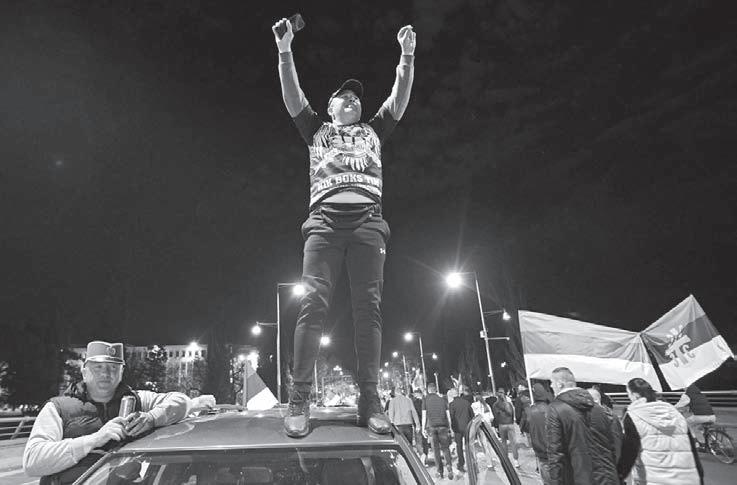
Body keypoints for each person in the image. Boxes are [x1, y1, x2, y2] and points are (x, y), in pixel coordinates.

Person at [272, 16, 416, 439]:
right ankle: (299, 398)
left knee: (367, 309)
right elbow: (292, 96)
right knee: (312, 305)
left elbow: (399, 99)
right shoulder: (316, 131)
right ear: (330, 107)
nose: (351, 99)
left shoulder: (374, 131)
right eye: (343, 97)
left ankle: (370, 400)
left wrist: (406, 57)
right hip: (324, 224)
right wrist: (285, 50)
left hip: (368, 224)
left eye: (356, 97)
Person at [23, 341, 191, 485]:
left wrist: (152, 418)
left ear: (121, 373)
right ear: (84, 372)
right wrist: (94, 440)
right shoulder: (58, 408)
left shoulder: (138, 400)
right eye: (98, 367)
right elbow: (32, 461)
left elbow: (182, 401)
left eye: (113, 367)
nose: (106, 373)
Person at [618, 378, 703, 485]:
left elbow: (629, 452)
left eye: (628, 394)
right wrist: (700, 476)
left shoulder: (634, 415)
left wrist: (619, 476)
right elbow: (691, 447)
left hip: (655, 479)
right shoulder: (673, 412)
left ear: (635, 395)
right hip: (687, 479)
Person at [546, 367, 619, 485]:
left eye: (552, 382)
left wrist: (555, 481)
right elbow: (612, 444)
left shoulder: (555, 409)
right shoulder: (598, 408)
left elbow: (555, 453)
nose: (551, 386)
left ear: (560, 384)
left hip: (579, 478)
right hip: (608, 476)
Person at [422, 382, 454, 480]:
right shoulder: (442, 399)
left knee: (435, 450)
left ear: (428, 390)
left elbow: (424, 416)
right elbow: (448, 414)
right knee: (445, 448)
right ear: (435, 390)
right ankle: (449, 465)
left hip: (431, 427)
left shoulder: (425, 400)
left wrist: (423, 428)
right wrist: (450, 427)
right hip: (443, 426)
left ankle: (440, 471)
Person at [522, 383, 552, 484]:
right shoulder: (553, 408)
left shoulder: (531, 411)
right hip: (556, 450)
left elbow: (526, 427)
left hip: (542, 451)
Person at [588, 387, 623, 463]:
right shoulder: (612, 416)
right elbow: (617, 441)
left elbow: (617, 442)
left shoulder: (610, 417)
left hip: (602, 461)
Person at [449, 386, 475, 474]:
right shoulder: (466, 402)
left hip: (457, 429)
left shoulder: (452, 404)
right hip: (467, 427)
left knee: (459, 447)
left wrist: (452, 428)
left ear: (452, 394)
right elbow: (472, 415)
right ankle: (472, 462)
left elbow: (452, 417)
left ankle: (461, 464)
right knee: (469, 445)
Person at [492, 388, 520, 467]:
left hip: (502, 425)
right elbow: (512, 414)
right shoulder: (509, 404)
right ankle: (516, 461)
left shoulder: (495, 405)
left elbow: (495, 416)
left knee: (504, 442)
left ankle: (506, 459)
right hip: (510, 424)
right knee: (513, 442)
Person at [412, 389, 429, 464]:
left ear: (416, 394)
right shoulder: (425, 402)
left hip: (417, 424)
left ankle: (422, 456)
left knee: (419, 442)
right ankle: (425, 457)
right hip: (425, 424)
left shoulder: (414, 403)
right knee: (425, 442)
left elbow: (413, 414)